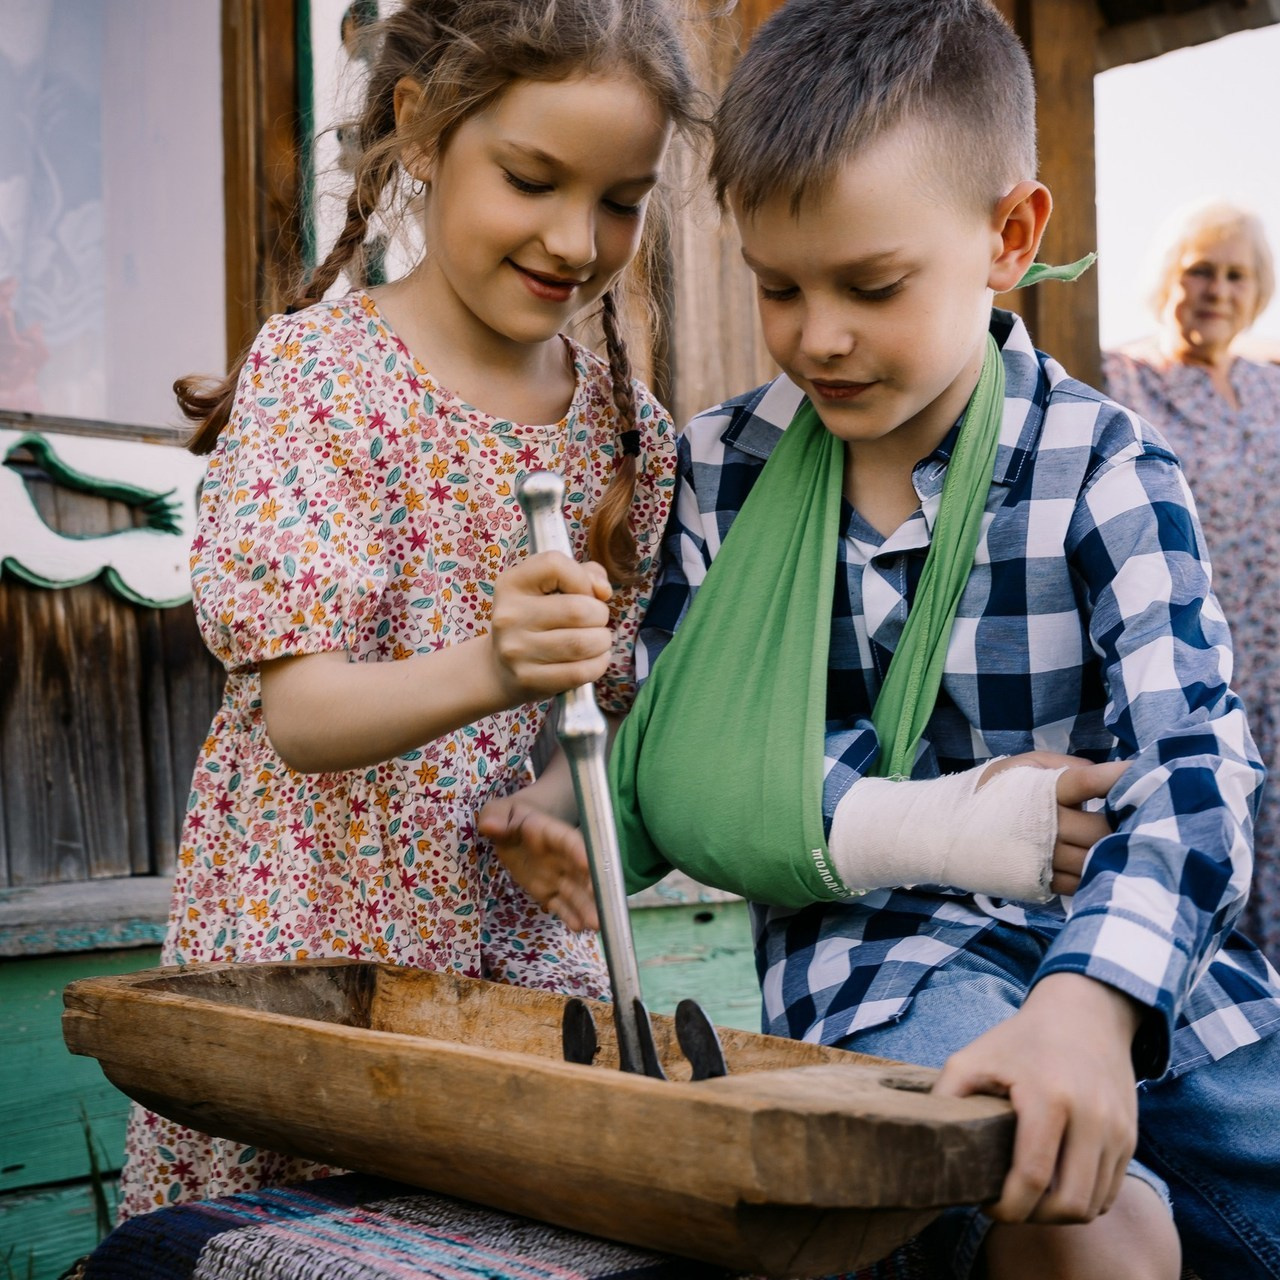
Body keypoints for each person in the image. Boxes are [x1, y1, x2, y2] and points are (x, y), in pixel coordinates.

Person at [491, 3, 1280, 1278]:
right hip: (886, 965)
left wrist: (1089, 1004)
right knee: (1048, 1191)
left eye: (871, 285)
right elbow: (682, 753)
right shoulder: (724, 472)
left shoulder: (1101, 466)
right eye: (776, 286)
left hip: (1141, 963)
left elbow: (1193, 768)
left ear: (1008, 238)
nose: (817, 337)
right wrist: (587, 815)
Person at [117, 0, 699, 1219]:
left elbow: (591, 722)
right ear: (420, 128)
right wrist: (495, 663)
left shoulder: (623, 436)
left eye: (617, 199)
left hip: (508, 956)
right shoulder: (321, 377)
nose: (572, 237)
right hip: (316, 948)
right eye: (531, 178)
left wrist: (556, 802)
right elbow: (305, 715)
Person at [1104, 202, 1280, 963]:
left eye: (1236, 275)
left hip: (1276, 673)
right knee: (1203, 836)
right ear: (1167, 282)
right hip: (1187, 669)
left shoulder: (1271, 386)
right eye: (1199, 270)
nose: (1217, 289)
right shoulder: (1120, 374)